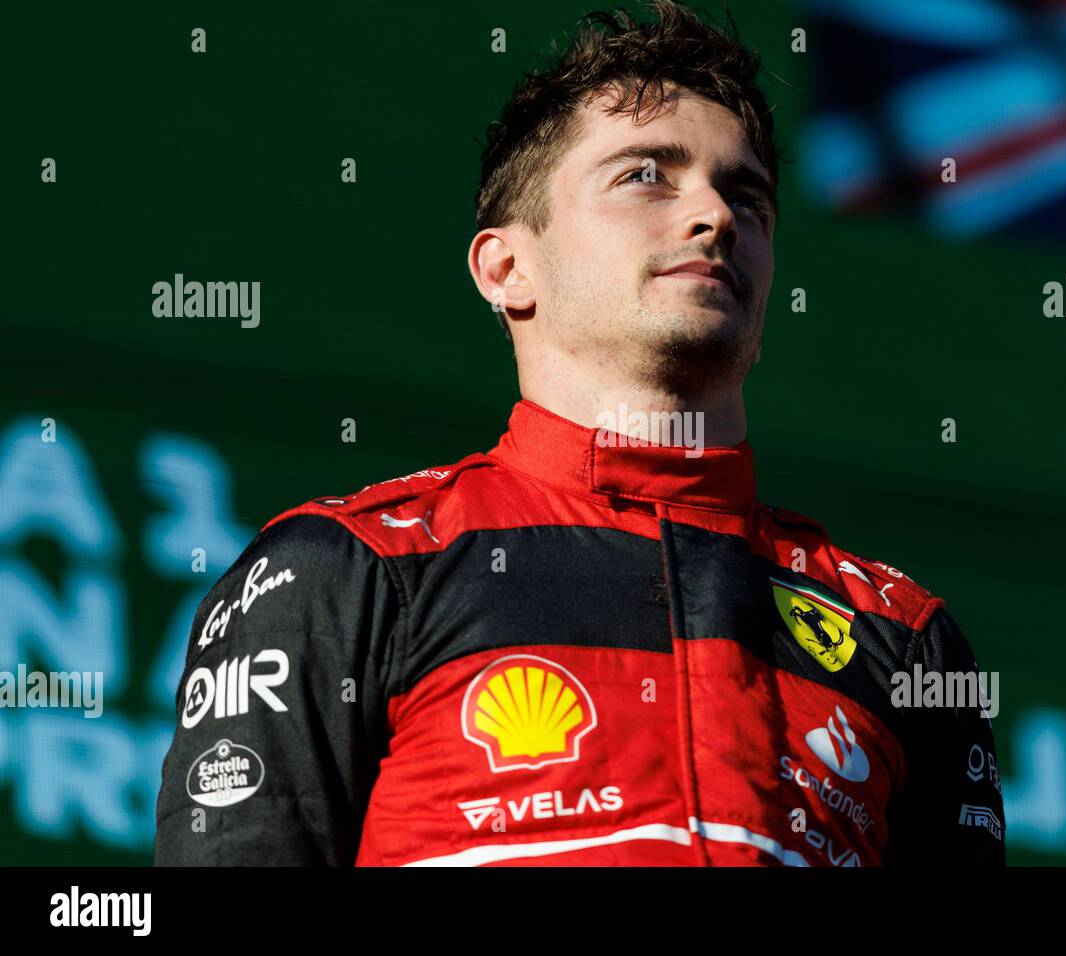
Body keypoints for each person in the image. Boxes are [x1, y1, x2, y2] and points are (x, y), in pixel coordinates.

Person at [155, 0, 1005, 867]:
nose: (715, 214)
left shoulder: (902, 636)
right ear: (507, 268)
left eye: (745, 194)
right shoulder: (348, 569)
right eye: (646, 175)